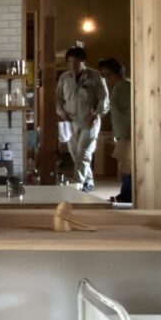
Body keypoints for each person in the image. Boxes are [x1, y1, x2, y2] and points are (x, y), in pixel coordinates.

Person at [55, 46, 108, 191]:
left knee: (83, 153)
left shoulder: (95, 76)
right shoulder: (64, 78)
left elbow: (103, 99)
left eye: (76, 62)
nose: (73, 65)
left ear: (83, 61)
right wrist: (62, 114)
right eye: (70, 62)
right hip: (70, 121)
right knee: (75, 154)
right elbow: (58, 98)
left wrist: (96, 115)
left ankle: (77, 185)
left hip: (89, 120)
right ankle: (88, 182)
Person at [98, 57, 133, 204]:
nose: (107, 79)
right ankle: (125, 193)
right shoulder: (119, 87)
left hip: (127, 133)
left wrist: (130, 129)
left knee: (127, 166)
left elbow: (132, 109)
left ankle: (127, 194)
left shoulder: (122, 87)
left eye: (109, 75)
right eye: (104, 76)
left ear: (118, 73)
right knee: (125, 165)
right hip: (122, 132)